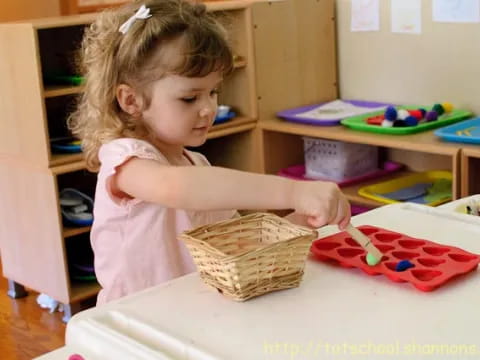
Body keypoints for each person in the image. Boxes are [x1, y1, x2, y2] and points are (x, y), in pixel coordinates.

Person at [68, 0, 351, 305]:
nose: (209, 109)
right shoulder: (125, 161)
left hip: (193, 313)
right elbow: (177, 188)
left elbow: (235, 243)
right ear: (131, 100)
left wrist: (298, 222)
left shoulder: (196, 164)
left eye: (213, 92)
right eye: (190, 98)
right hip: (134, 322)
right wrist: (293, 191)